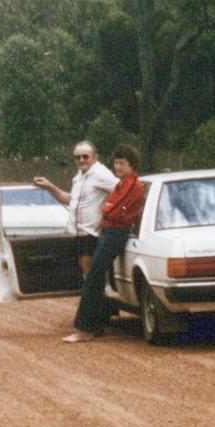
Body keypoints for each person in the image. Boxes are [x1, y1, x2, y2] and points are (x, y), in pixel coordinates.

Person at [62, 144, 145, 342]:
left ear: (132, 166)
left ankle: (85, 329)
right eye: (116, 163)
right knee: (95, 278)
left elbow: (120, 209)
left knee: (93, 278)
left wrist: (106, 212)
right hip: (108, 231)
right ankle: (94, 325)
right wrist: (108, 212)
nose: (118, 167)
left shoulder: (133, 185)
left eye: (122, 163)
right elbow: (115, 206)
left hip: (116, 233)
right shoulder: (122, 183)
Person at [33, 140, 118, 274]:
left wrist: (108, 216)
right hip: (78, 232)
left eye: (85, 156)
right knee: (85, 271)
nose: (81, 160)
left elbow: (122, 193)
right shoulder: (79, 176)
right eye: (78, 157)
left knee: (90, 271)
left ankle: (92, 295)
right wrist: (50, 187)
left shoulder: (101, 173)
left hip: (92, 233)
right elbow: (70, 200)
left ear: (95, 157)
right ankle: (90, 294)